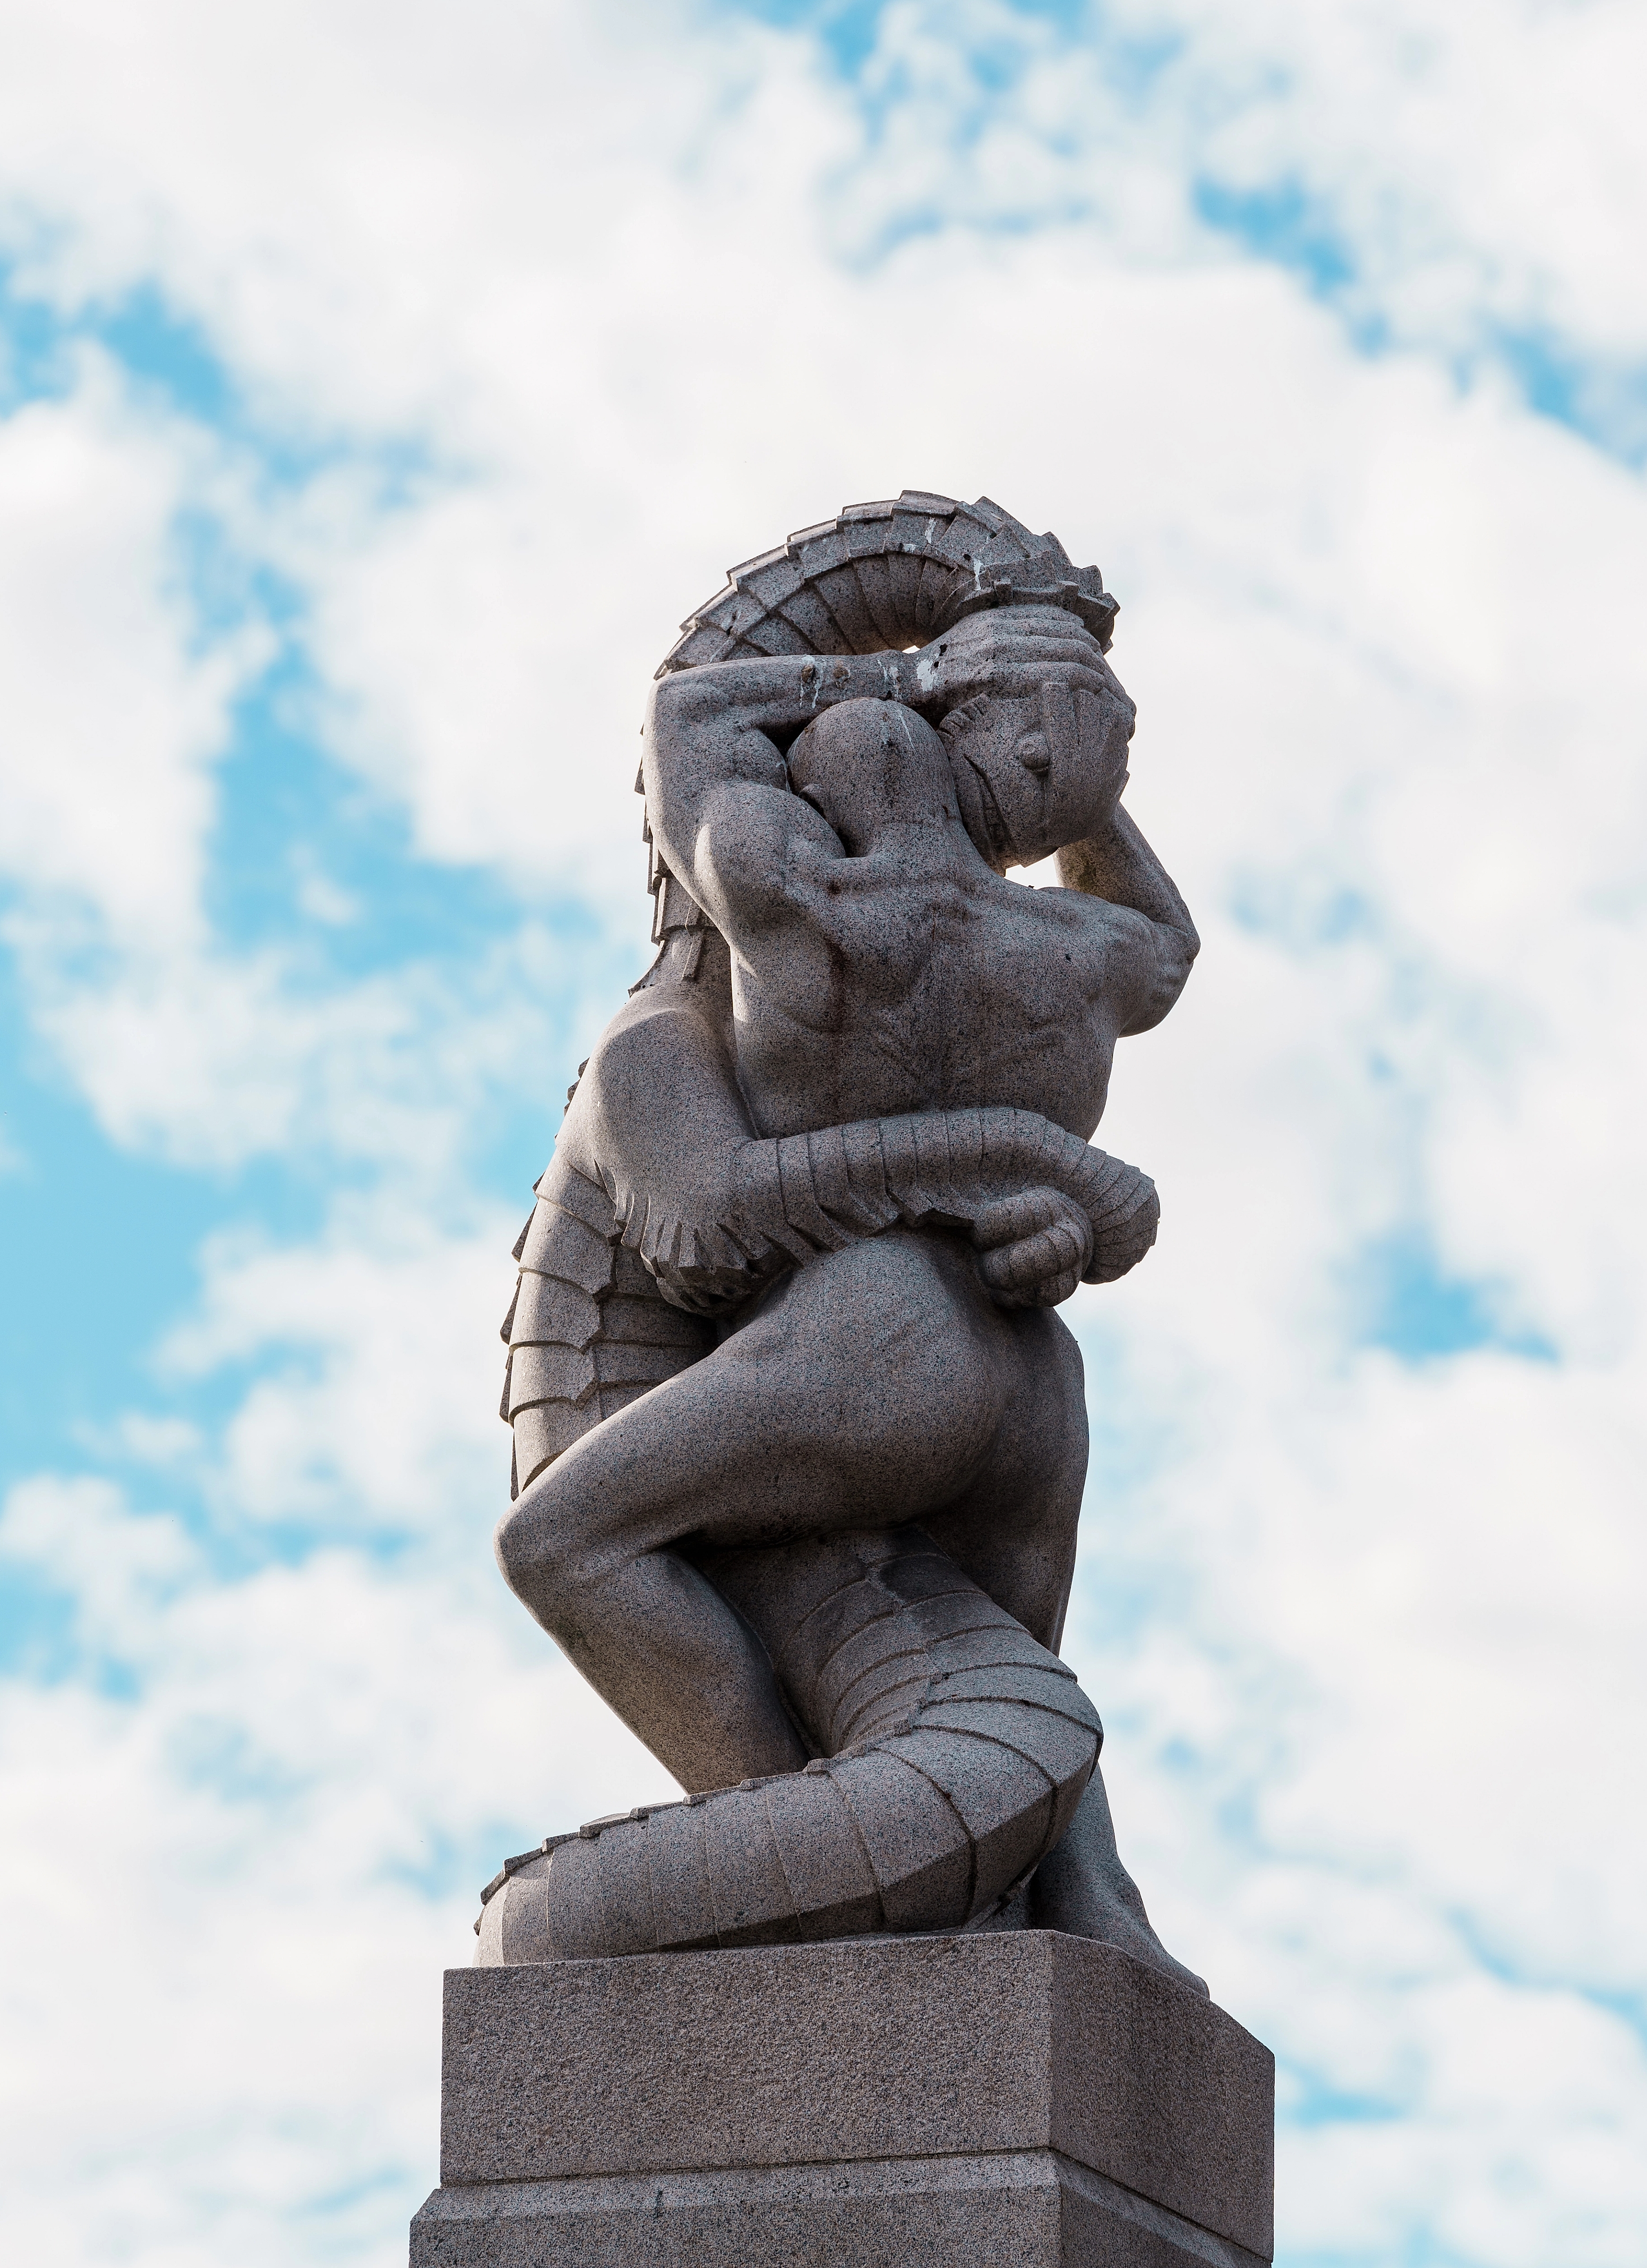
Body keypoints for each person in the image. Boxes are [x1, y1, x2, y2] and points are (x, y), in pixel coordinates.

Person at [495, 605, 1202, 1975]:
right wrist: (1086, 788)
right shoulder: (1083, 950)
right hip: (1031, 1375)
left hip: (875, 1337)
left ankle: (812, 1868)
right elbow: (1165, 940)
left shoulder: (800, 910)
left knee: (556, 1544)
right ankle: (1095, 1905)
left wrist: (909, 673)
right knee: (998, 1660)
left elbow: (701, 1234)